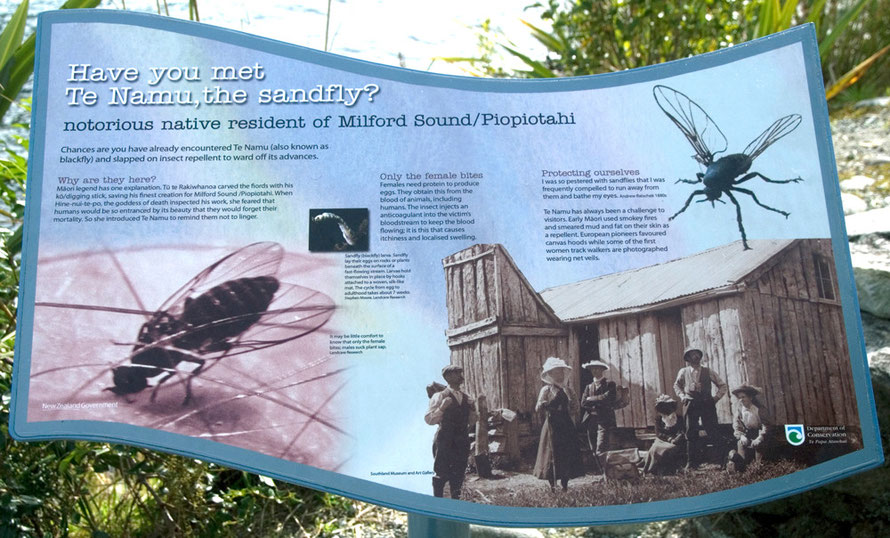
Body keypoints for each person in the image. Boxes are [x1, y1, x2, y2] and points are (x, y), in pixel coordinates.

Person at [424, 365, 477, 498]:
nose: (461, 376)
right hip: (445, 440)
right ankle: (437, 505)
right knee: (441, 474)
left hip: (461, 440)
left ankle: (455, 507)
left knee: (458, 475)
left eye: (460, 372)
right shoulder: (440, 396)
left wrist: (473, 410)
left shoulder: (466, 397)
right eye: (456, 373)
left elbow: (472, 421)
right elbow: (429, 419)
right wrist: (442, 408)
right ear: (448, 377)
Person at [533, 357, 583, 491]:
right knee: (551, 453)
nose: (559, 375)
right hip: (551, 424)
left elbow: (575, 408)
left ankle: (565, 485)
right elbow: (537, 408)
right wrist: (543, 405)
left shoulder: (568, 390)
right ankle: (552, 485)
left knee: (566, 453)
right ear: (550, 375)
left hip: (565, 423)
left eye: (561, 372)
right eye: (555, 372)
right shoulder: (546, 390)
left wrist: (571, 403)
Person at [673, 348, 727, 469]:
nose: (696, 357)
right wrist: (682, 396)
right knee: (690, 432)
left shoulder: (708, 371)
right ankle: (692, 463)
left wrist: (715, 398)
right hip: (690, 403)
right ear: (688, 358)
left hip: (706, 403)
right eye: (692, 355)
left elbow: (722, 385)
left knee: (712, 430)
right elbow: (676, 385)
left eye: (697, 354)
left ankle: (721, 461)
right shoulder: (683, 371)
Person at [580, 359, 616, 467]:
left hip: (604, 419)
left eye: (597, 368)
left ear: (602, 370)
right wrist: (597, 400)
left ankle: (606, 469)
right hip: (591, 420)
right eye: (592, 369)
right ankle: (601, 469)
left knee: (601, 445)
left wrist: (592, 399)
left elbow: (608, 398)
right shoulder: (589, 386)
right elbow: (583, 403)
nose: (594, 371)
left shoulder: (610, 384)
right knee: (593, 446)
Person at [728, 384, 770, 472]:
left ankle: (759, 466)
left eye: (743, 397)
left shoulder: (759, 409)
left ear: (750, 398)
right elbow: (737, 426)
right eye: (739, 397)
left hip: (761, 434)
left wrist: (760, 437)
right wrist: (741, 436)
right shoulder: (740, 410)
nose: (741, 400)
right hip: (748, 433)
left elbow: (766, 425)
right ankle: (738, 463)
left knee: (759, 447)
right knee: (741, 444)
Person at [642, 394, 686, 475]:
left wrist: (676, 439)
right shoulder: (659, 419)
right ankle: (650, 470)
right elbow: (658, 433)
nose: (666, 408)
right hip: (662, 440)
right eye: (663, 406)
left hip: (676, 441)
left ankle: (662, 471)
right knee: (653, 449)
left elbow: (682, 431)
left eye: (668, 405)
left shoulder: (678, 418)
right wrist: (669, 438)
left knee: (666, 451)